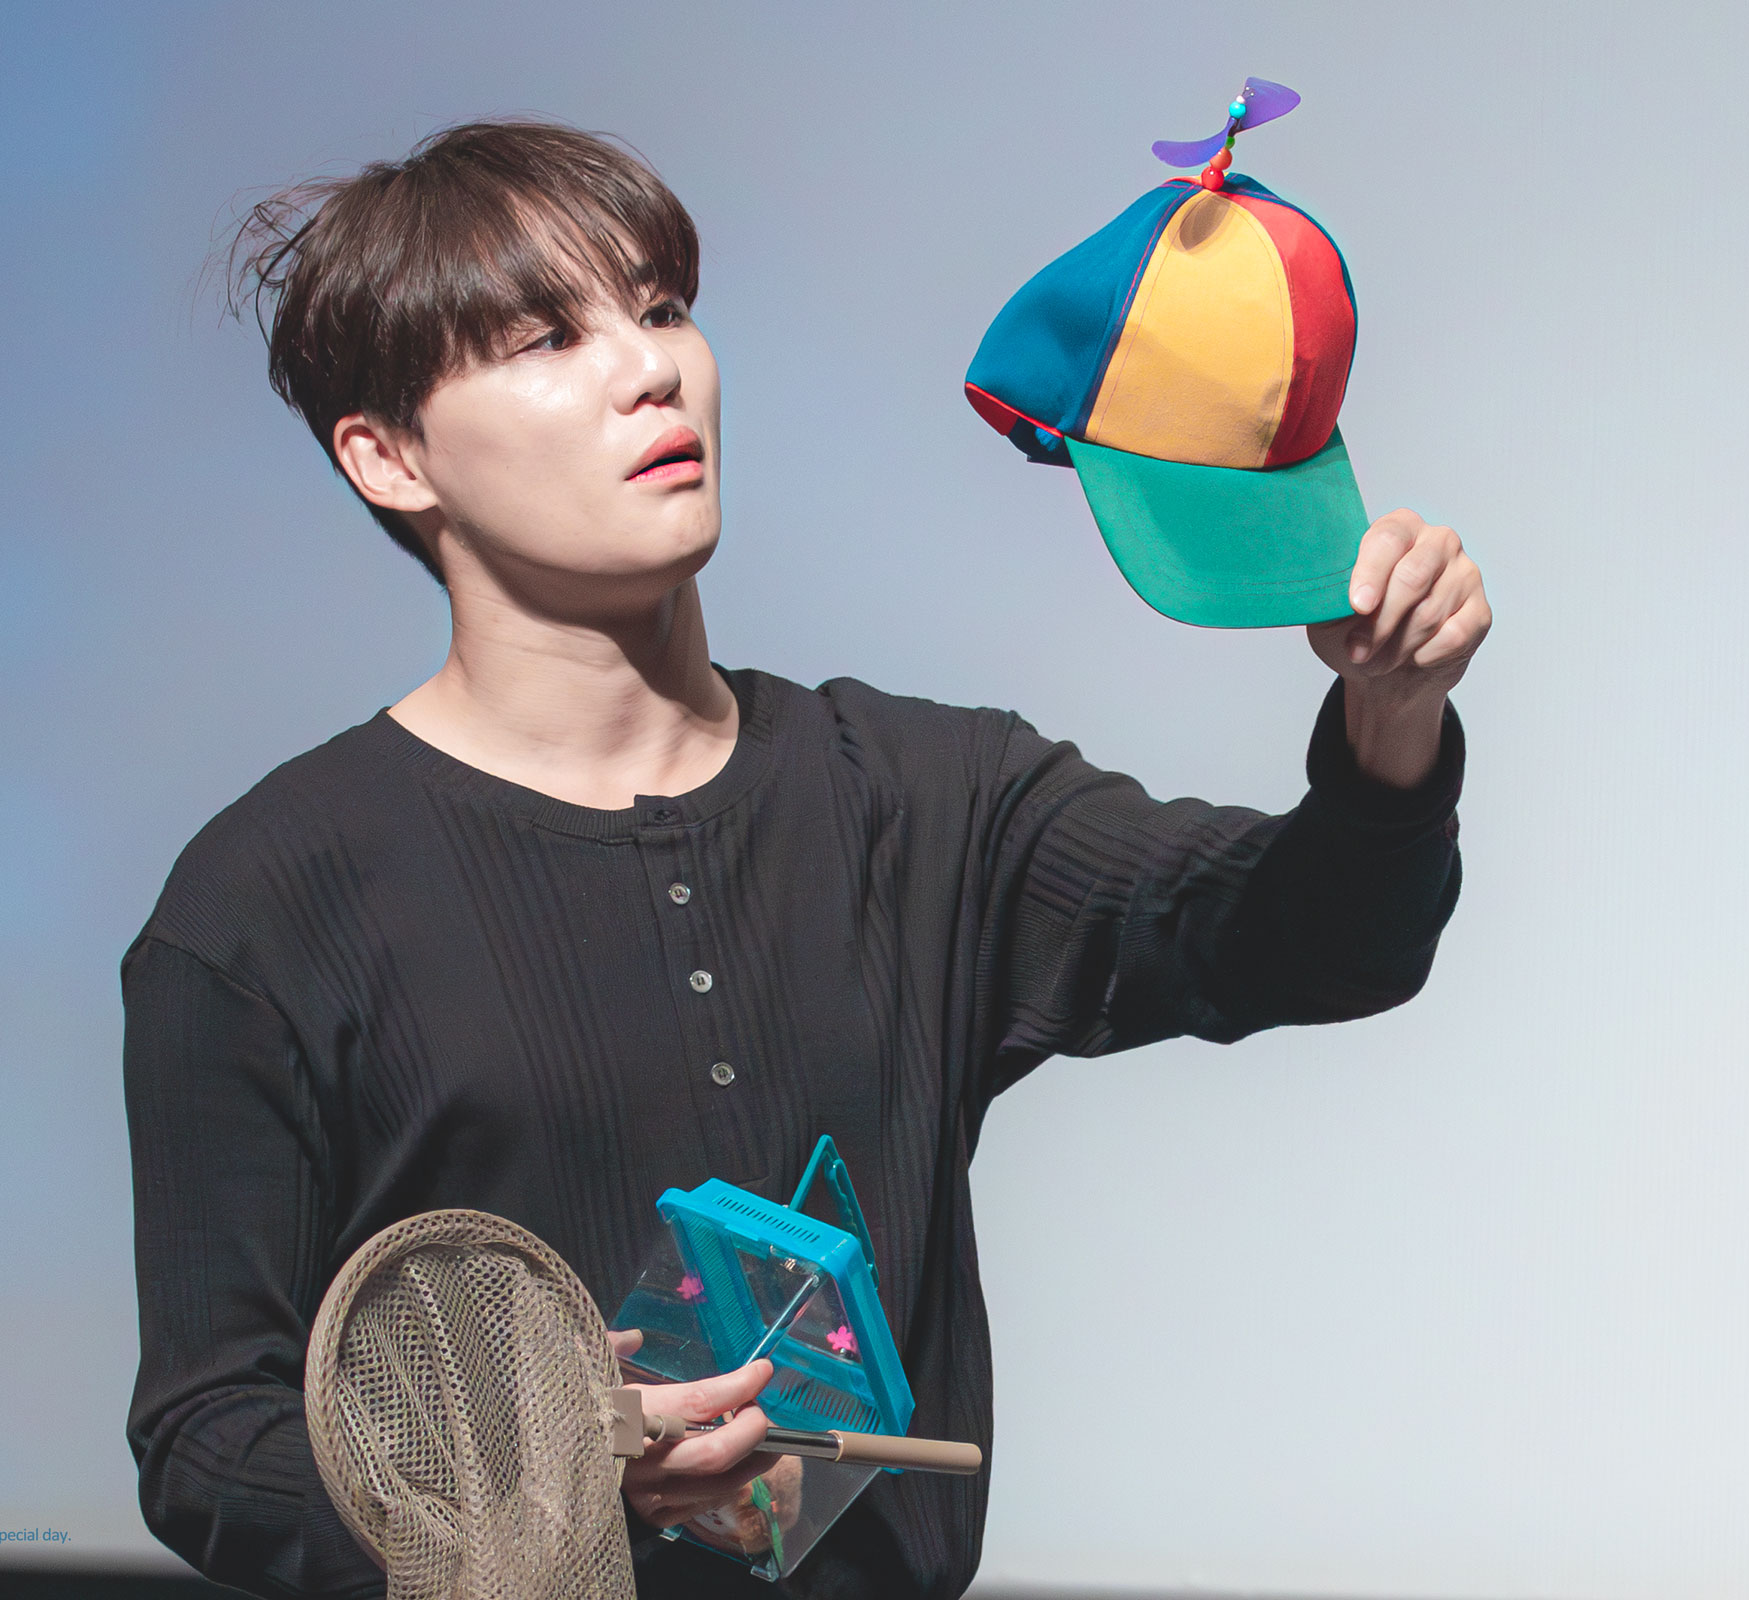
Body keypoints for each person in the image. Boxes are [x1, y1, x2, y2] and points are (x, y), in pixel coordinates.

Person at [122, 119, 1486, 1599]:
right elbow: (208, 1439)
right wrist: (549, 1481)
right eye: (548, 340)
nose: (652, 370)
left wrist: (1392, 711)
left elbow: (1319, 939)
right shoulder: (264, 903)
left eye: (662, 309)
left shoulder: (927, 796)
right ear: (389, 459)